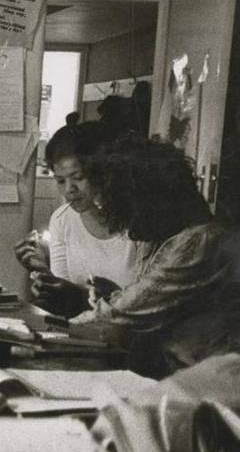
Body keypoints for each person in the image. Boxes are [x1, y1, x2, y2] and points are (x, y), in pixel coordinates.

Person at [71, 137, 239, 377]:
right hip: (185, 370)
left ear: (151, 203)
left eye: (127, 211)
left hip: (203, 380)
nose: (129, 229)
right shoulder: (180, 235)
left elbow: (126, 310)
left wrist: (58, 329)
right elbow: (143, 297)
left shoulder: (199, 240)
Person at [13, 122, 145, 317]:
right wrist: (43, 272)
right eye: (60, 180)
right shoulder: (62, 220)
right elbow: (65, 298)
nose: (69, 189)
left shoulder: (140, 221)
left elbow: (147, 304)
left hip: (129, 331)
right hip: (82, 329)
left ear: (102, 173)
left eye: (78, 177)